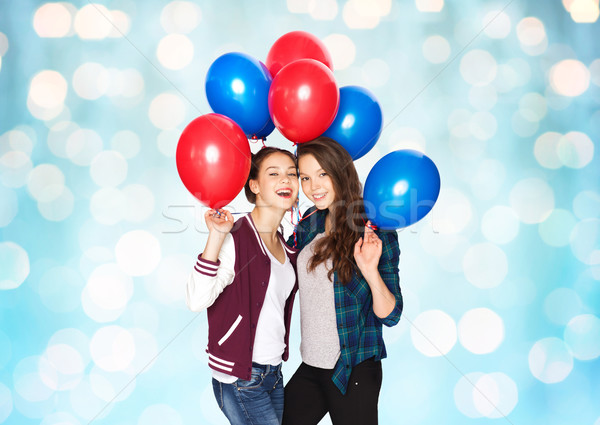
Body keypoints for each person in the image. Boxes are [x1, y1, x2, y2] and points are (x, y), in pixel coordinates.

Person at [282, 137, 403, 425]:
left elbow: (392, 315)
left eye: (323, 174)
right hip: (312, 364)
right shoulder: (309, 222)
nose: (314, 187)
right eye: (306, 177)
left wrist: (370, 270)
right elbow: (278, 267)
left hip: (353, 369)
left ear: (341, 171)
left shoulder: (374, 229)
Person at [186, 147, 300, 425]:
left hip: (273, 374)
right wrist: (216, 237)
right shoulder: (236, 236)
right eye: (274, 174)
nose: (285, 180)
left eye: (292, 174)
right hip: (241, 377)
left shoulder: (289, 248)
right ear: (255, 185)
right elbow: (196, 300)